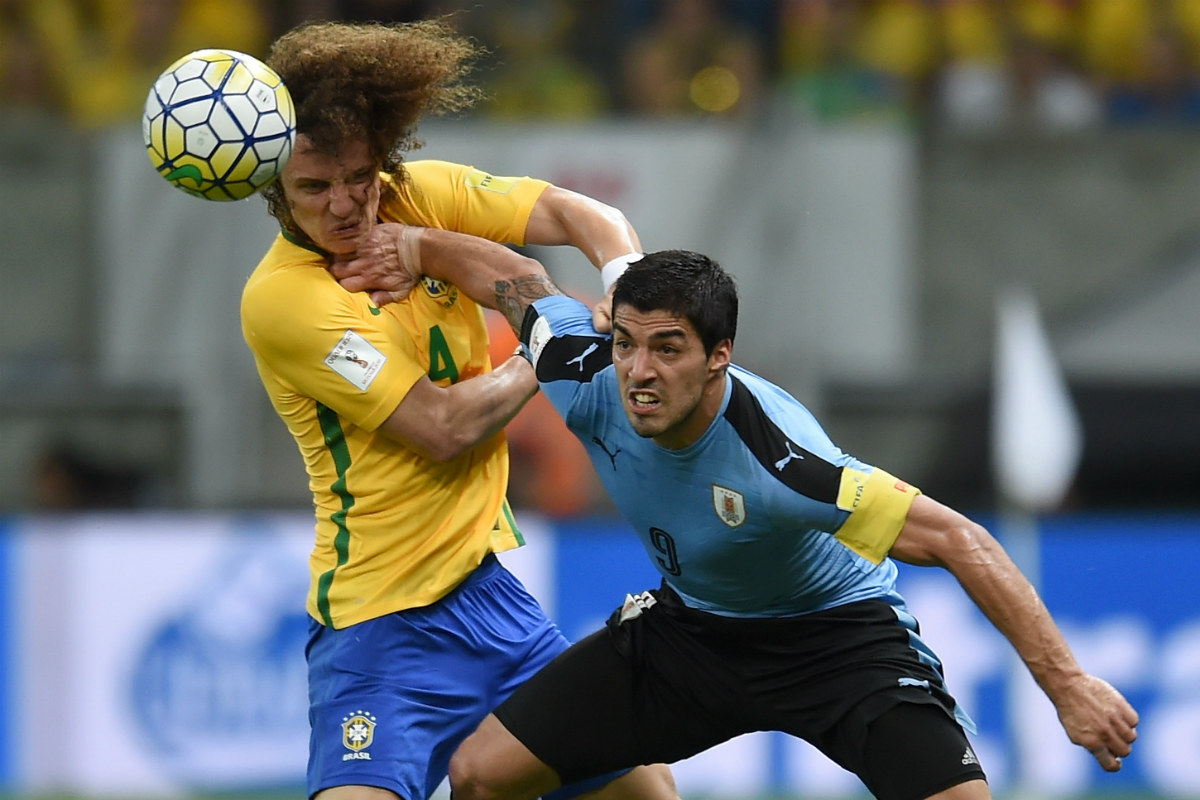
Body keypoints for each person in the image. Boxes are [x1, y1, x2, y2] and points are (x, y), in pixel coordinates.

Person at [332, 242, 1139, 800]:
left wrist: (1066, 687)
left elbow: (960, 539)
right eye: (629, 344)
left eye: (670, 349)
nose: (641, 372)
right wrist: (410, 246)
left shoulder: (784, 462)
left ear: (720, 354)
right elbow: (514, 278)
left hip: (838, 641)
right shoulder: (585, 370)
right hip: (694, 635)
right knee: (480, 774)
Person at [238, 18, 672, 800]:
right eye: (313, 188)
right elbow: (443, 426)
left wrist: (626, 281)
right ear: (275, 190)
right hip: (377, 624)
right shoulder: (283, 301)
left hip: (489, 598)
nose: (345, 205)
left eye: (360, 176)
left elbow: (586, 217)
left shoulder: (418, 197)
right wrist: (560, 343)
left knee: (647, 792)